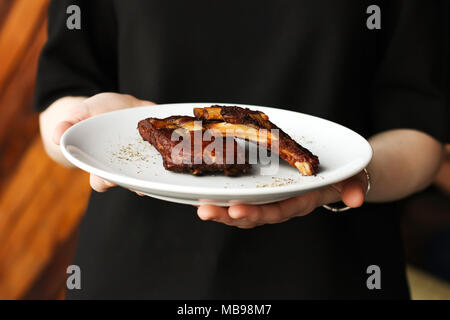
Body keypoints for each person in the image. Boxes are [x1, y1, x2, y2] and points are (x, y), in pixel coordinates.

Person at [36, 0, 447, 299]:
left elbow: (420, 130)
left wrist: (343, 178)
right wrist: (85, 123)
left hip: (332, 269)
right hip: (133, 270)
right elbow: (64, 93)